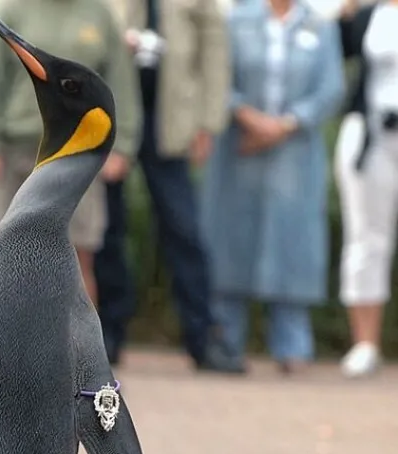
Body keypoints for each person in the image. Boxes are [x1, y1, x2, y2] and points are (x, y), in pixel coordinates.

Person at [96, 0, 245, 373]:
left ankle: (203, 337)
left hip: (171, 119)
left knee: (184, 228)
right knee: (106, 228)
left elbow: (214, 51)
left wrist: (207, 123)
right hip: (113, 114)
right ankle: (107, 333)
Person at [0, 0, 142, 305]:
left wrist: (122, 144)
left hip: (79, 153)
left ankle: (78, 351)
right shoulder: (9, 8)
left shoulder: (99, 14)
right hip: (15, 151)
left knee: (78, 257)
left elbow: (120, 82)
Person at [200, 0, 345, 374]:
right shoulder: (237, 21)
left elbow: (331, 89)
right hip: (239, 147)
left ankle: (292, 343)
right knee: (232, 236)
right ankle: (225, 339)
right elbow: (218, 78)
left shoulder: (319, 25)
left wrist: (283, 126)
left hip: (295, 152)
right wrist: (248, 118)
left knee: (293, 241)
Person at [334, 0, 397, 378]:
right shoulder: (369, 14)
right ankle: (365, 342)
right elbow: (337, 49)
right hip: (373, 135)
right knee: (366, 237)